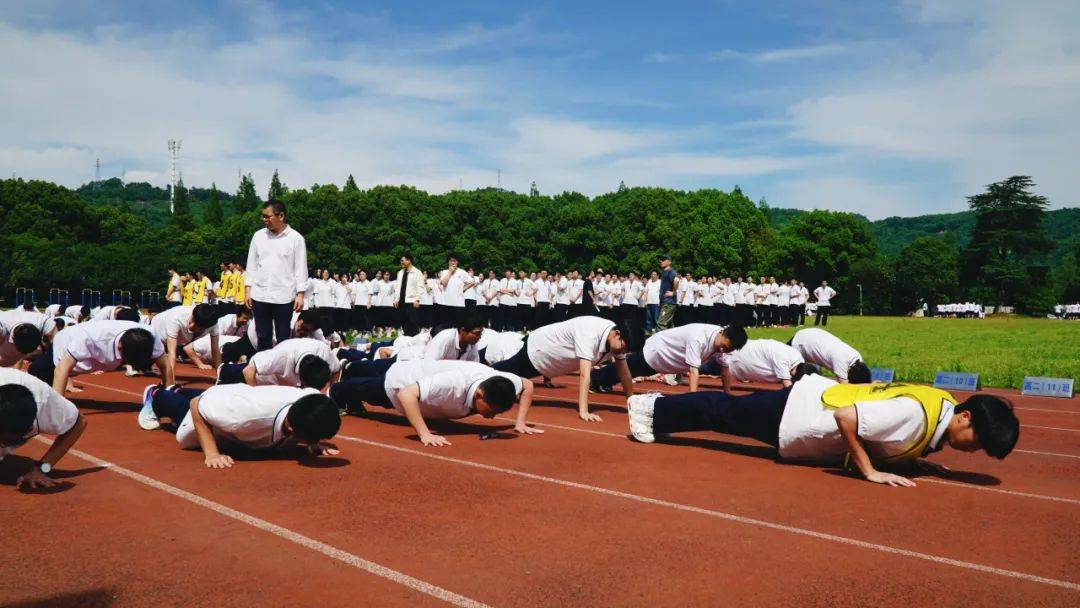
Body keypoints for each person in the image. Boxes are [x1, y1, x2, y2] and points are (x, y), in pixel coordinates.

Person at [627, 374, 1020, 487]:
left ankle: (655, 410)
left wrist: (917, 460)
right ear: (965, 418)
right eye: (979, 443)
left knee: (723, 412)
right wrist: (870, 471)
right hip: (800, 413)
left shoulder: (939, 407)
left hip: (805, 407)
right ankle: (650, 408)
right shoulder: (918, 417)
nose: (973, 451)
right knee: (720, 411)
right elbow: (847, 418)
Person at [330, 359, 540, 446]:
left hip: (427, 374)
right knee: (361, 390)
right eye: (491, 411)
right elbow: (406, 395)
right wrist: (424, 433)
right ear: (479, 396)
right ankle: (339, 384)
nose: (492, 417)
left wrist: (519, 423)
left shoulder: (505, 383)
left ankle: (354, 366)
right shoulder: (452, 384)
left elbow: (527, 385)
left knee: (367, 376)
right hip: (399, 382)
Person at [140, 383, 340, 468]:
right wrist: (211, 453)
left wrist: (314, 442)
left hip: (240, 395)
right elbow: (197, 407)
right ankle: (158, 395)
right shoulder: (243, 417)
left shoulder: (311, 400)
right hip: (218, 406)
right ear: (296, 430)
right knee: (184, 427)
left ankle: (180, 390)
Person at [492, 316, 631, 422]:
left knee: (511, 377)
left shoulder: (614, 339)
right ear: (616, 334)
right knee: (505, 373)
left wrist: (631, 402)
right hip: (539, 350)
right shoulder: (590, 333)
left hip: (549, 363)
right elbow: (584, 374)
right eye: (623, 347)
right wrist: (583, 411)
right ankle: (479, 372)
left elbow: (624, 374)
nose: (622, 351)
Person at [592, 323, 748, 393]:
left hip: (666, 361)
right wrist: (693, 400)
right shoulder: (699, 337)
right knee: (629, 369)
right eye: (724, 346)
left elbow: (725, 370)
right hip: (656, 351)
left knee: (633, 371)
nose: (722, 350)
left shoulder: (722, 344)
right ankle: (595, 379)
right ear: (722, 333)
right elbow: (694, 372)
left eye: (727, 350)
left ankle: (602, 381)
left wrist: (727, 396)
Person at [0, 368, 88, 490]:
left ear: (31, 427)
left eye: (7, 441)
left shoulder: (47, 404)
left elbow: (80, 422)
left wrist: (42, 469)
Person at [28, 320, 169, 395]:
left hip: (102, 355)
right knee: (38, 371)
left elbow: (166, 366)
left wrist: (170, 393)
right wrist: (58, 407)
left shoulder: (150, 336)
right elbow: (62, 369)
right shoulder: (89, 338)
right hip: (64, 346)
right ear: (120, 348)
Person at [245, 200, 309, 351]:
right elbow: (251, 265)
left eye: (268, 217)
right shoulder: (258, 236)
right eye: (263, 217)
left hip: (284, 296)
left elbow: (301, 268)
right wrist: (248, 290)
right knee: (263, 336)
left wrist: (300, 295)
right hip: (260, 295)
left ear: (281, 216)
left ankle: (280, 372)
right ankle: (263, 371)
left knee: (283, 338)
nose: (264, 220)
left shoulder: (296, 239)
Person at [214, 336, 340, 393]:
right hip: (260, 380)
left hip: (286, 387)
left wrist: (329, 394)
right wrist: (255, 398)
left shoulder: (323, 351)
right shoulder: (283, 354)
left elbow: (337, 369)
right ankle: (228, 370)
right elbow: (248, 371)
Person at [150, 303, 220, 376]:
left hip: (181, 338)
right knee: (147, 358)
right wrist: (170, 379)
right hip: (157, 328)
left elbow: (215, 350)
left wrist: (220, 375)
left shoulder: (213, 324)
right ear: (192, 314)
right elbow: (172, 352)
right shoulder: (177, 317)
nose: (191, 325)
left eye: (196, 326)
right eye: (192, 320)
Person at [715, 338, 809, 392]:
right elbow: (788, 388)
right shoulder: (783, 360)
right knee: (705, 366)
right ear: (796, 371)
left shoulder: (797, 357)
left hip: (740, 353)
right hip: (734, 360)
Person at [790, 327, 871, 384]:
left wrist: (869, 384)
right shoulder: (841, 361)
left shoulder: (857, 357)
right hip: (801, 341)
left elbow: (862, 379)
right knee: (793, 376)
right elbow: (845, 387)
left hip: (814, 336)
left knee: (813, 377)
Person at [394, 255, 425, 336]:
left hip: (411, 302)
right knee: (404, 323)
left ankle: (415, 341)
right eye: (401, 261)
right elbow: (398, 287)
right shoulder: (400, 272)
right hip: (401, 302)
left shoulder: (417, 272)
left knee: (413, 323)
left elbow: (420, 287)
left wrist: (417, 299)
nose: (401, 262)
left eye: (403, 260)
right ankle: (407, 341)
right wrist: (396, 299)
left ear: (409, 260)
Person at [438, 256, 473, 328]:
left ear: (457, 262)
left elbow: (472, 282)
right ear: (448, 262)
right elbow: (444, 283)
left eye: (454, 261)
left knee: (458, 327)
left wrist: (464, 289)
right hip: (446, 303)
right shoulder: (444, 272)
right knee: (446, 326)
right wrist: (450, 272)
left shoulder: (462, 272)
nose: (453, 262)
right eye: (451, 261)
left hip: (458, 304)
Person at [656, 255, 679, 332]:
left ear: (669, 262)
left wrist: (674, 292)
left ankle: (660, 343)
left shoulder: (670, 271)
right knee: (669, 325)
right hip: (666, 302)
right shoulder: (664, 272)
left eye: (663, 259)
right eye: (660, 260)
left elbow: (676, 280)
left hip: (669, 302)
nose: (660, 261)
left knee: (661, 323)